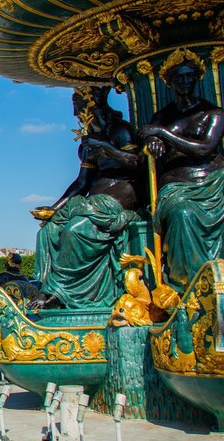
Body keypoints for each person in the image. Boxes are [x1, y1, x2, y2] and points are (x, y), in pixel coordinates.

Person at [140, 48, 224, 291]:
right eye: (179, 77)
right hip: (180, 185)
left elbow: (205, 149)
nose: (185, 82)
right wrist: (151, 140)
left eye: (190, 76)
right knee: (182, 214)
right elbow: (146, 134)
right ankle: (194, 289)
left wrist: (162, 134)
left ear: (198, 79)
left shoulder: (215, 114)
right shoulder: (161, 116)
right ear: (169, 82)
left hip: (220, 180)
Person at [29, 86, 143, 309]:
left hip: (119, 199)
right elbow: (82, 182)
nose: (76, 114)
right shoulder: (88, 143)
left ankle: (59, 291)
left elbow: (136, 163)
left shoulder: (120, 131)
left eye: (79, 107)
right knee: (48, 230)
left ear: (94, 105)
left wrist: (104, 147)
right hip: (92, 202)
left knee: (75, 230)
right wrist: (53, 209)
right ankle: (50, 289)